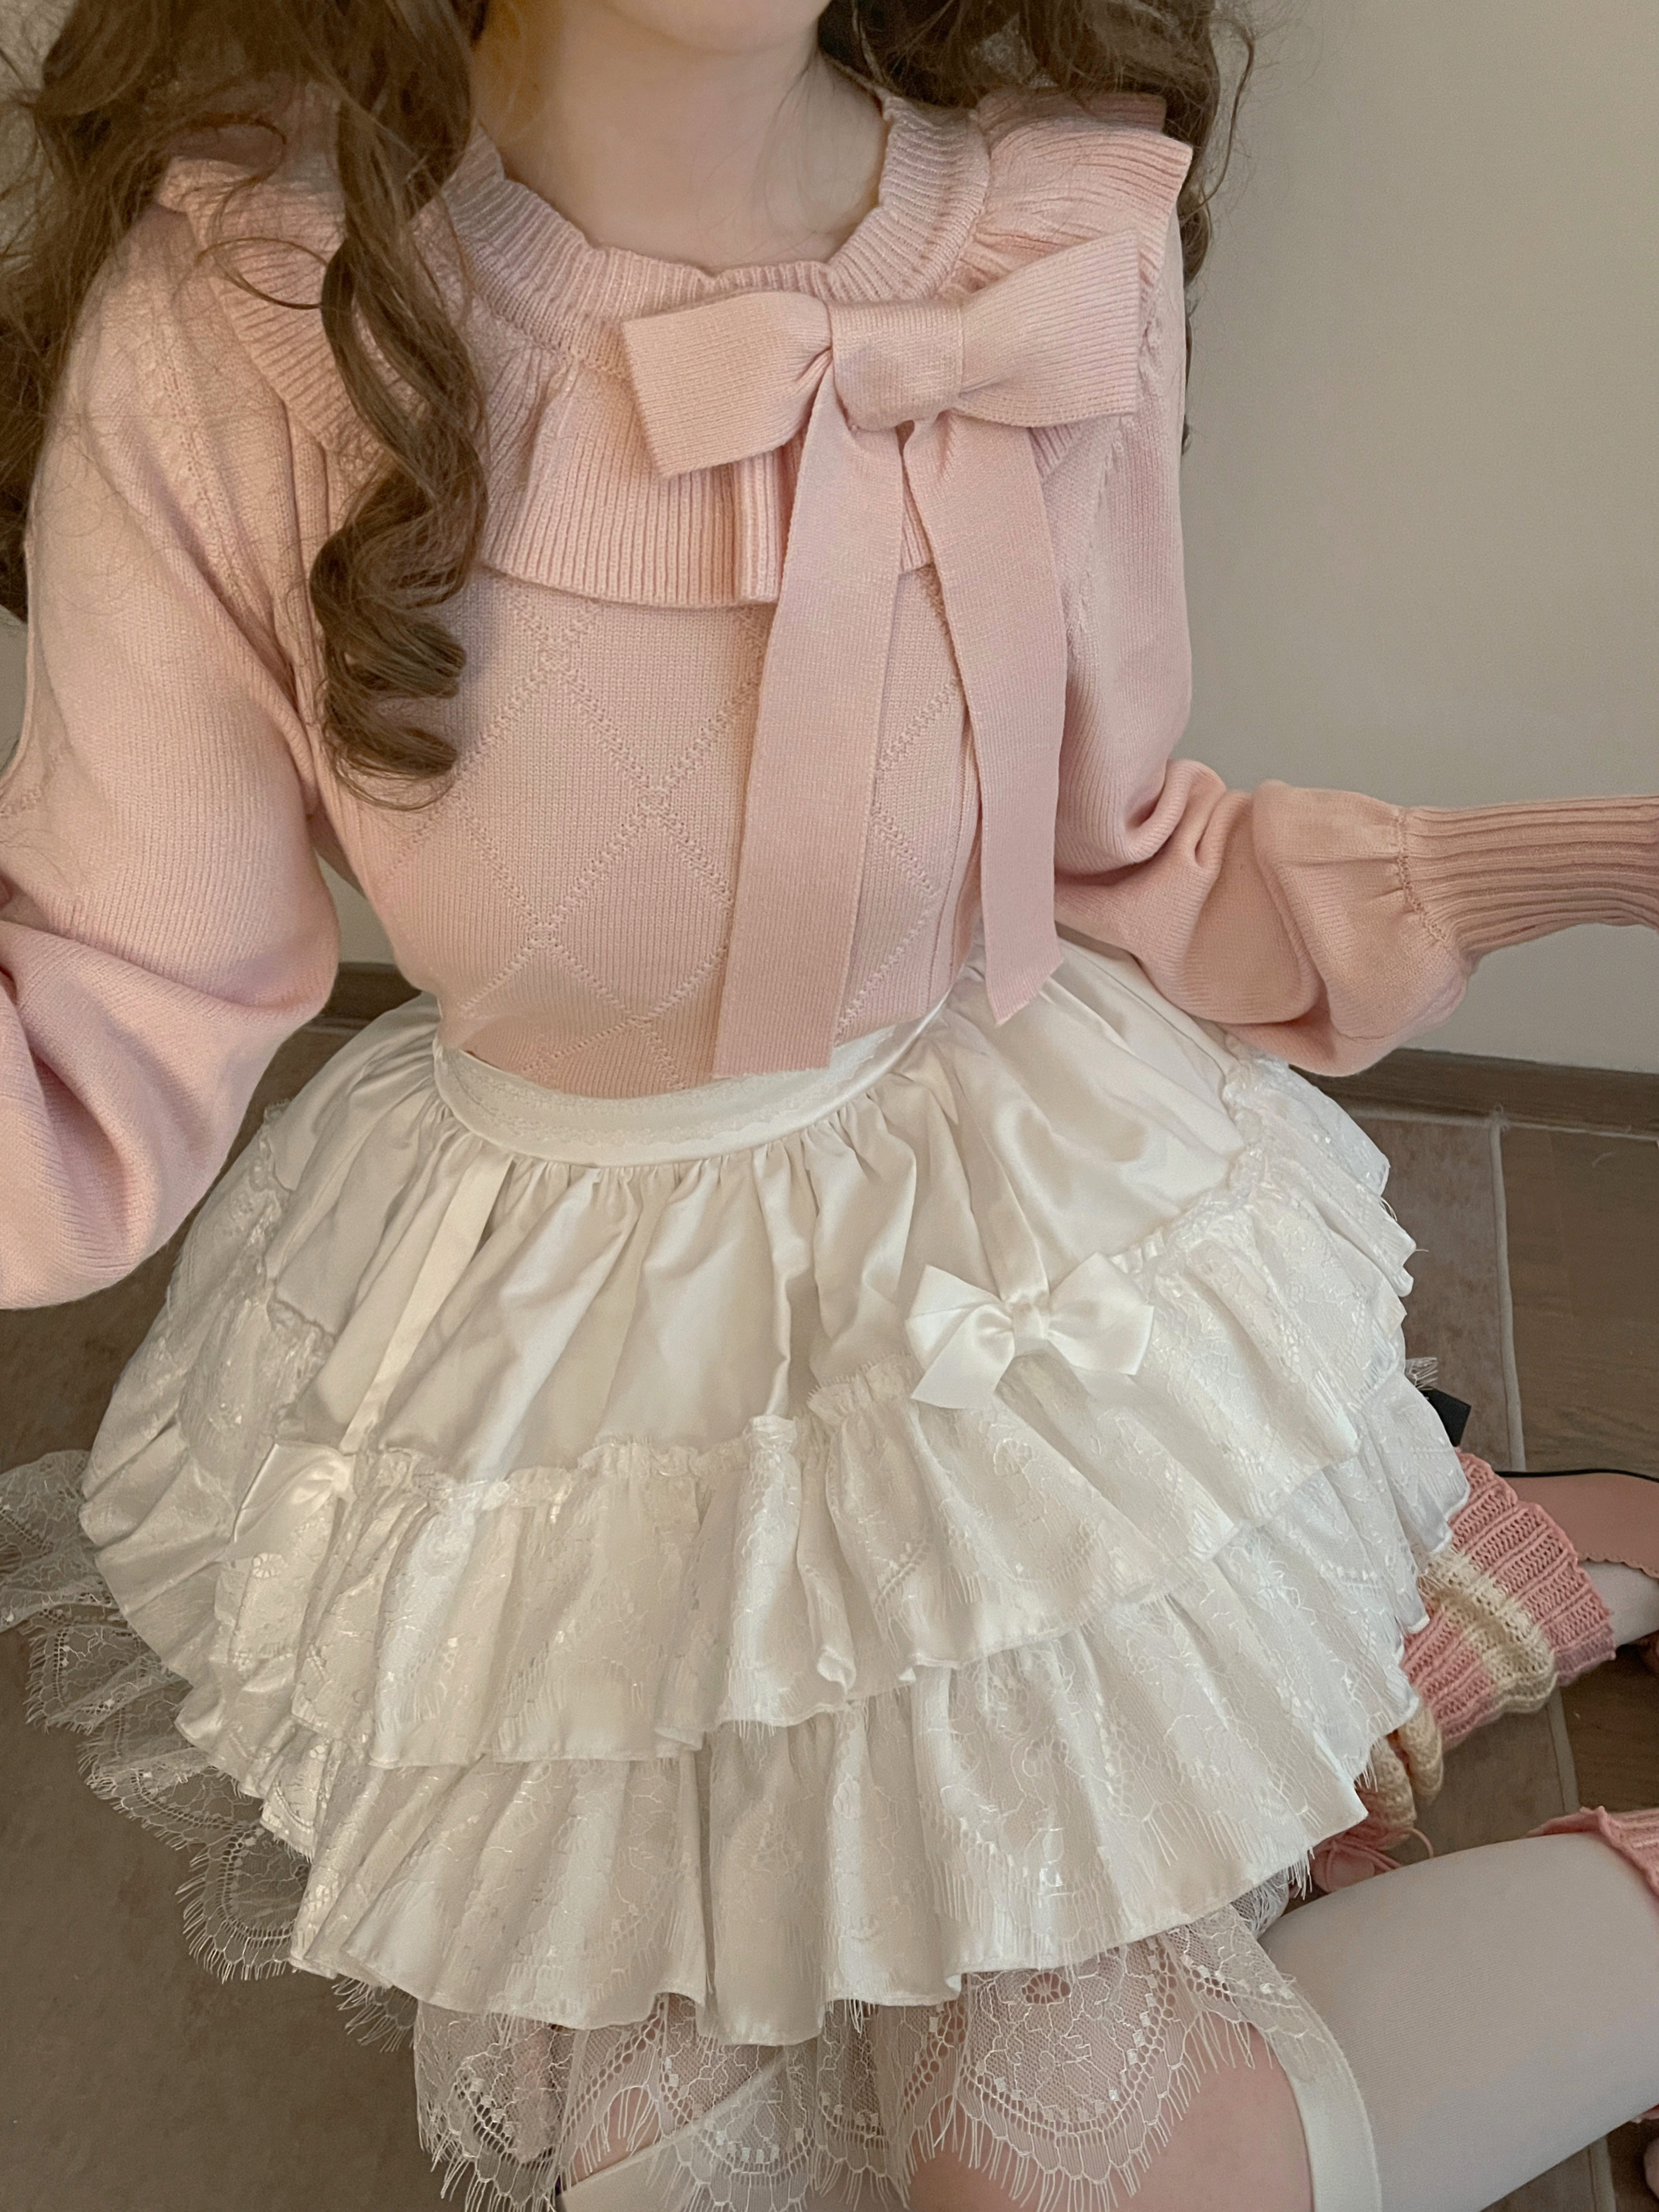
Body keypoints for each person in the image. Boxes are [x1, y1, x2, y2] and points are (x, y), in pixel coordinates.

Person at [1, 1, 1657, 2205]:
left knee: (1070, 2168)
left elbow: (1118, 854)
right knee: (685, 2169)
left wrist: (1584, 860)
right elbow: (111, 1010)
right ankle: (1480, 1595)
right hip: (570, 1367)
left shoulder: (1048, 243)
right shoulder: (246, 315)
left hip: (999, 1280)